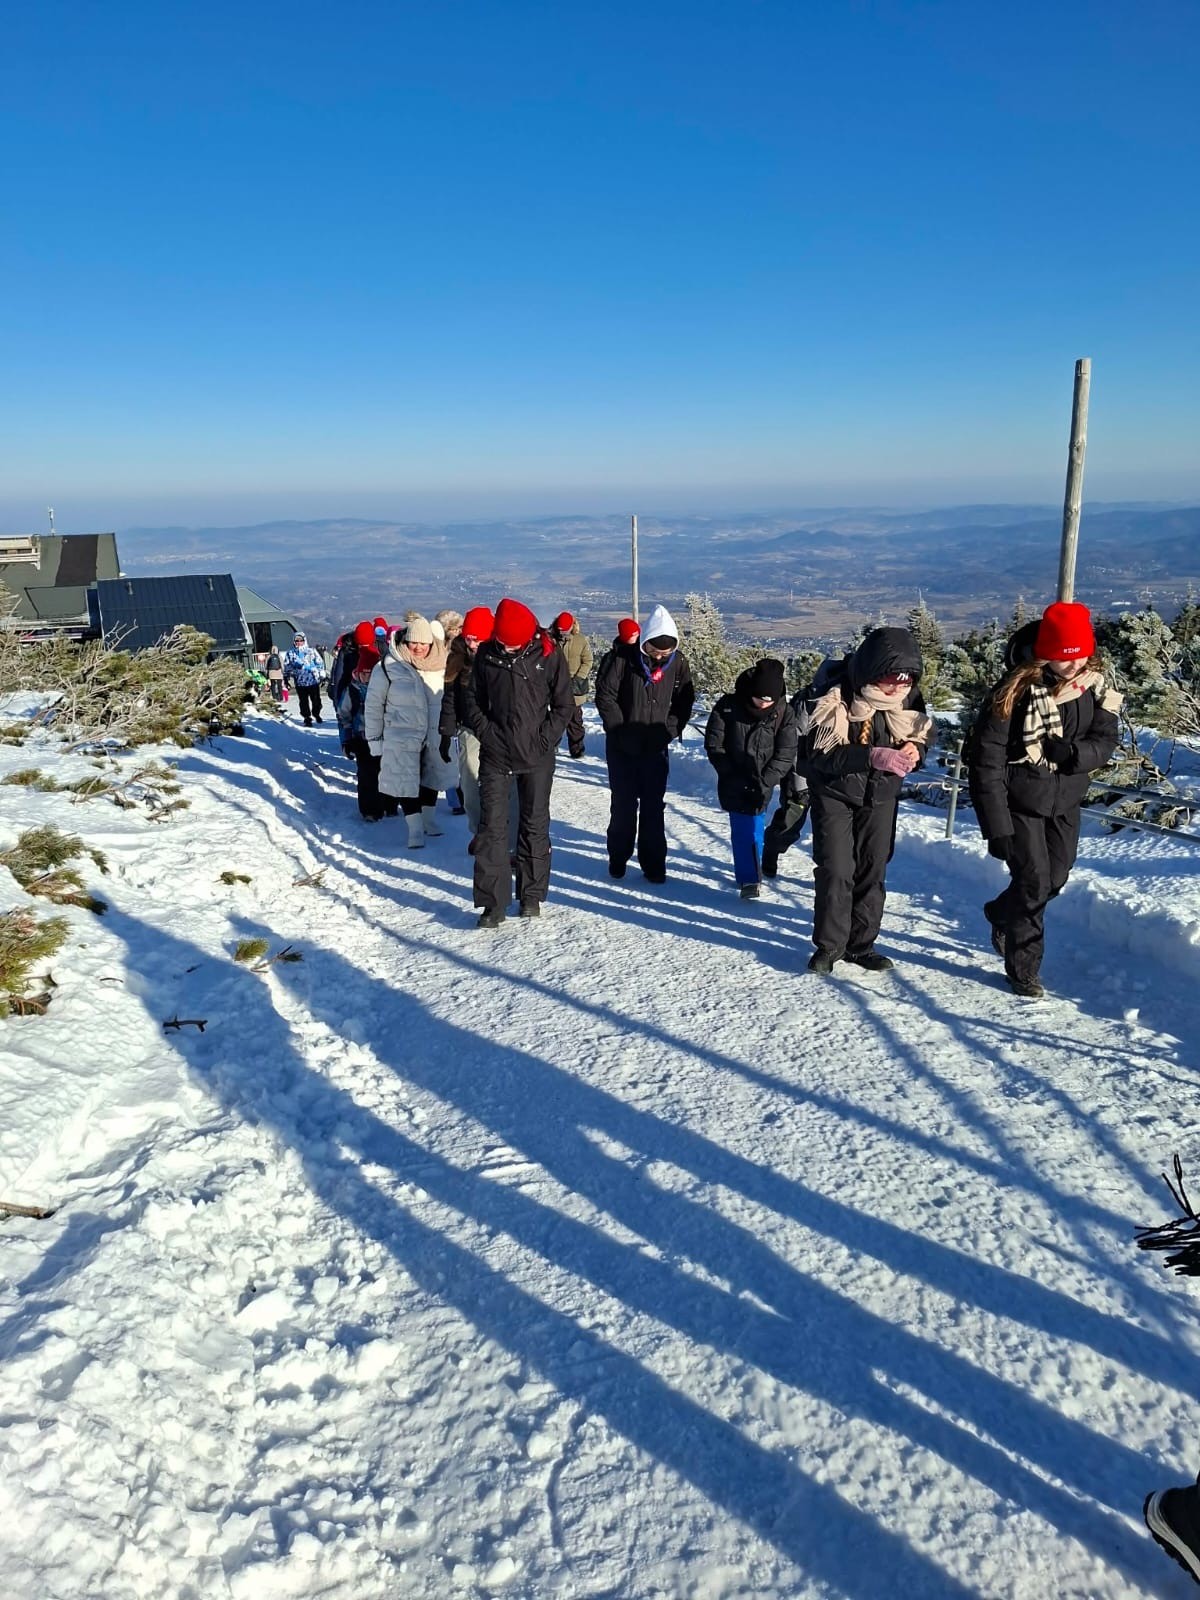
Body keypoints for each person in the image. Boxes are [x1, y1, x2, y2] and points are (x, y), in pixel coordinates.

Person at [968, 600, 1120, 998]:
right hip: (1019, 803)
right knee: (1034, 883)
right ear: (1044, 653)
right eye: (1063, 657)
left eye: (1081, 656)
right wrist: (996, 827)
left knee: (1057, 877)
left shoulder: (1096, 688)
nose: (1073, 666)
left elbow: (1106, 740)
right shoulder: (1012, 694)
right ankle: (1024, 969)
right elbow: (986, 763)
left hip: (1065, 802)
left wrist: (1073, 755)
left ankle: (1001, 912)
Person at [801, 626, 933, 974]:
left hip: (881, 795)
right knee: (837, 870)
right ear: (872, 672)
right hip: (834, 792)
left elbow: (921, 734)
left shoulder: (908, 699)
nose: (898, 689)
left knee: (872, 868)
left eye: (905, 683)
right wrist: (870, 756)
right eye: (891, 681)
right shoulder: (836, 696)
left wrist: (915, 749)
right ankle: (830, 946)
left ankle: (862, 945)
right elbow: (820, 755)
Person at [461, 597, 573, 927]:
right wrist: (487, 733)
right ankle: (492, 904)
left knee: (534, 825)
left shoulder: (548, 655)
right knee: (492, 829)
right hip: (496, 756)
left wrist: (544, 739)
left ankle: (531, 895)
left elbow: (564, 705)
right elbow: (473, 700)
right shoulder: (486, 654)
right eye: (502, 644)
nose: (506, 650)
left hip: (537, 757)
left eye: (513, 646)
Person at [595, 604, 694, 884]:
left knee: (653, 808)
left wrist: (670, 729)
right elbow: (605, 696)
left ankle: (653, 863)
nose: (660, 657)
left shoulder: (678, 663)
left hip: (655, 745)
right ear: (644, 644)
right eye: (654, 651)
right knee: (623, 806)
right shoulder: (622, 659)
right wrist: (618, 729)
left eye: (665, 653)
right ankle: (618, 856)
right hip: (622, 746)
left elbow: (685, 700)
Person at [704, 658, 798, 898]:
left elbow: (786, 753)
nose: (764, 703)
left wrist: (765, 780)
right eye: (760, 698)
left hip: (762, 781)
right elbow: (715, 744)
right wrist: (730, 773)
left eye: (770, 700)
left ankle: (753, 866)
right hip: (733, 778)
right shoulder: (727, 706)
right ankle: (749, 879)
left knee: (755, 826)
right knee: (743, 828)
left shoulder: (784, 713)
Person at [364, 617, 447, 848]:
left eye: (424, 643)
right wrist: (374, 739)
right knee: (405, 781)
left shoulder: (441, 664)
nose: (419, 648)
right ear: (405, 641)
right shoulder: (388, 667)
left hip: (434, 732)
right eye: (413, 642)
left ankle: (429, 820)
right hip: (400, 734)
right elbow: (373, 705)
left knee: (432, 778)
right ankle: (415, 828)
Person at [439, 606, 495, 845]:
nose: (472, 644)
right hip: (469, 729)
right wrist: (445, 733)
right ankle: (479, 832)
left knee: (498, 789)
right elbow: (450, 697)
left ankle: (499, 835)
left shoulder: (499, 655)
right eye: (469, 638)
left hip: (497, 729)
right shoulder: (458, 655)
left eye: (478, 639)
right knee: (470, 786)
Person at [334, 621, 397, 821]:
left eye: (370, 673)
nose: (366, 676)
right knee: (367, 776)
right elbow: (344, 715)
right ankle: (370, 809)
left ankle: (389, 804)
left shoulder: (386, 689)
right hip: (362, 737)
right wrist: (346, 739)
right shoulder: (352, 690)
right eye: (363, 673)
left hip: (385, 736)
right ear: (357, 672)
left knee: (387, 771)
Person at [550, 612, 593, 758]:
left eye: (565, 631)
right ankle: (552, 745)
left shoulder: (581, 641)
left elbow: (588, 661)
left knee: (575, 720)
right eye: (560, 631)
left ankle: (577, 749)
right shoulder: (552, 640)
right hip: (556, 687)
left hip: (575, 687)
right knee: (555, 718)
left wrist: (579, 678)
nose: (563, 634)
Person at [282, 631, 326, 725]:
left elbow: (320, 663)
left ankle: (316, 713)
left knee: (316, 700)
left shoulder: (311, 651)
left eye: (300, 640)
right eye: (296, 640)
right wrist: (286, 678)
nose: (298, 642)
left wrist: (322, 675)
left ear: (304, 640)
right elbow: (287, 666)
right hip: (300, 682)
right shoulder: (290, 653)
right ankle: (307, 717)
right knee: (303, 702)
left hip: (313, 680)